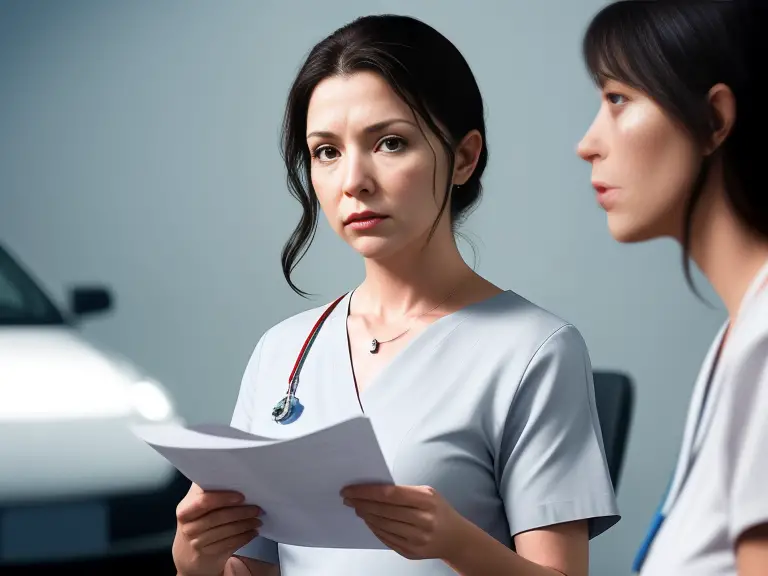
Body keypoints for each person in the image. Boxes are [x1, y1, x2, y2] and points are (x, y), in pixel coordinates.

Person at [172, 14, 619, 576]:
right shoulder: (282, 352)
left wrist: (455, 541)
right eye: (326, 152)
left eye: (389, 143)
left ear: (463, 157)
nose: (353, 179)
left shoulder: (534, 349)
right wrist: (198, 561)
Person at [576, 1, 768, 574]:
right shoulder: (738, 339)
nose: (587, 143)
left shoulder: (764, 344)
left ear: (713, 121)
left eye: (617, 99)